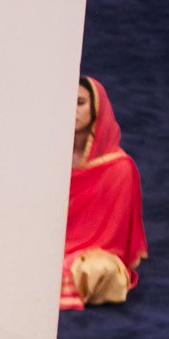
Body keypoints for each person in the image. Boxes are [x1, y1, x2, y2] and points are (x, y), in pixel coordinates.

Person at [64, 75, 147, 310]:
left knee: (100, 270)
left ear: (97, 109)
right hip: (48, 244)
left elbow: (113, 239)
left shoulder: (119, 168)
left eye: (80, 103)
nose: (73, 110)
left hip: (91, 254)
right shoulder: (50, 157)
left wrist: (71, 253)